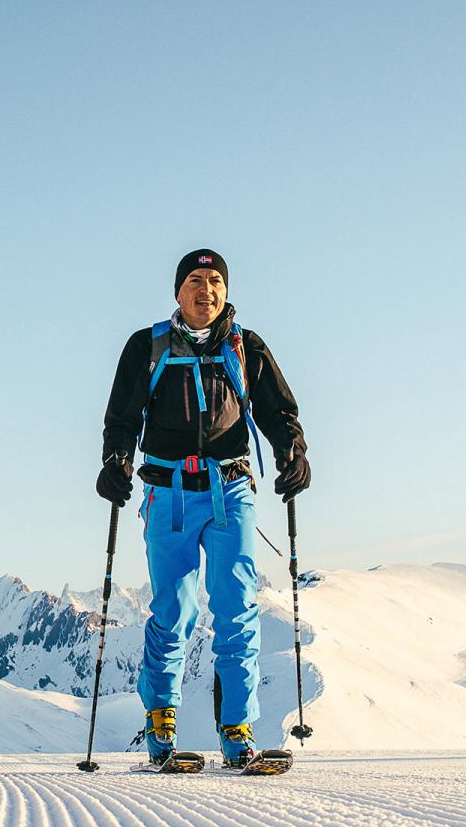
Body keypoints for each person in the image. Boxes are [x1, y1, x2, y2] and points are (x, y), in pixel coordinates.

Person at [98, 249, 309, 768]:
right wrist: (116, 461)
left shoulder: (245, 347)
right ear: (178, 291)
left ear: (225, 291)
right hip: (166, 492)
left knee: (237, 607)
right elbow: (121, 416)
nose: (206, 289)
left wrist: (292, 453)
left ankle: (238, 732)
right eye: (195, 280)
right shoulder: (147, 347)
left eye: (215, 281)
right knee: (173, 610)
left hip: (230, 488)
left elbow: (278, 410)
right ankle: (161, 728)